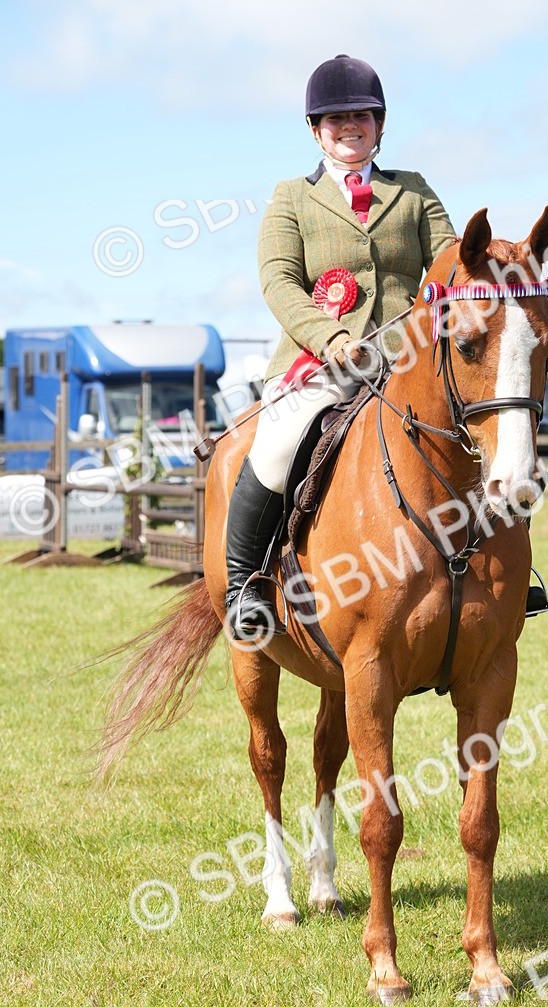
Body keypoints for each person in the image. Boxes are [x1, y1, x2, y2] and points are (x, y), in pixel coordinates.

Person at [225, 53, 457, 638]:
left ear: (380, 124)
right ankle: (244, 585)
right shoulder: (291, 198)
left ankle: (502, 577)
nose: (349, 126)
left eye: (361, 115)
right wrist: (330, 337)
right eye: (335, 119)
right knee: (276, 440)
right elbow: (279, 280)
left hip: (409, 357)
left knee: (477, 432)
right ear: (315, 130)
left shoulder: (412, 191)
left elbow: (453, 260)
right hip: (320, 361)